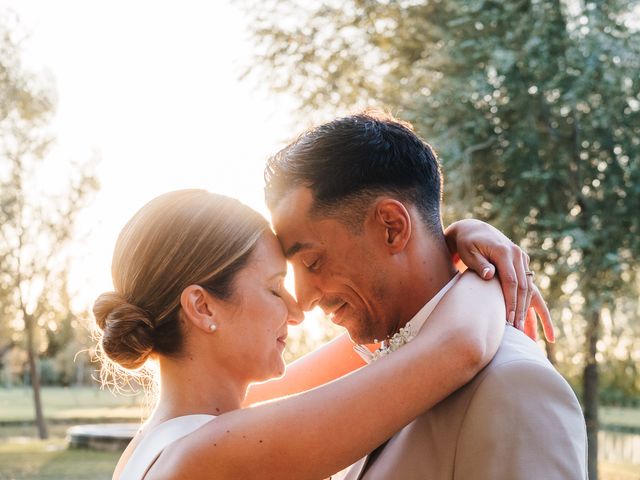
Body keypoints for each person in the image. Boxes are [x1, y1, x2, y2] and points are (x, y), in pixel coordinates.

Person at [95, 190, 538, 480]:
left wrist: (448, 240)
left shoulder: (147, 448)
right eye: (273, 287)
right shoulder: (208, 454)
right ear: (202, 306)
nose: (295, 310)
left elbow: (392, 333)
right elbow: (456, 347)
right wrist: (489, 270)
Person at [260, 110, 588, 479]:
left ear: (392, 227)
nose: (302, 300)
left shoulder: (515, 387)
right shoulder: (385, 376)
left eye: (312, 261)